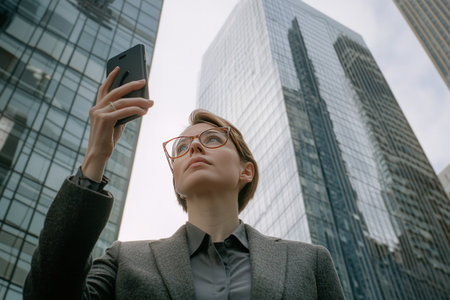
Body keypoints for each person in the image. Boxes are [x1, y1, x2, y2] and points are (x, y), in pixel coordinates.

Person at [24, 67, 345, 299]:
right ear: (176, 177)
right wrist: (95, 157)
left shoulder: (310, 262)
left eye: (213, 139)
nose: (194, 147)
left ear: (246, 171)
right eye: (181, 147)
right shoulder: (125, 261)